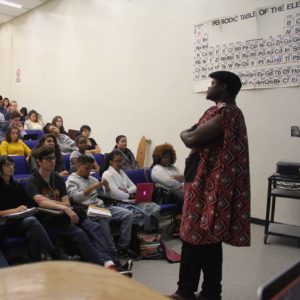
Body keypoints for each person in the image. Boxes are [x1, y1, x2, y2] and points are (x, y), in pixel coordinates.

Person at [170, 71, 250, 300]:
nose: (209, 87)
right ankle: (186, 290)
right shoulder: (219, 112)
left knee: (205, 239)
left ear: (224, 87)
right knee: (190, 237)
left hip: (211, 188)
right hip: (200, 182)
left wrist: (185, 132)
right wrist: (190, 132)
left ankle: (210, 292)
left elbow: (191, 138)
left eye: (213, 83)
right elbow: (194, 134)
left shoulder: (228, 113)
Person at [26, 146, 131, 274]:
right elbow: (41, 203)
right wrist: (63, 207)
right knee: (80, 233)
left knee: (94, 227)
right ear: (39, 161)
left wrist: (56, 204)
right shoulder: (32, 181)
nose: (53, 161)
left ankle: (110, 262)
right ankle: (103, 267)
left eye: (53, 158)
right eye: (48, 159)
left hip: (67, 215)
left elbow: (66, 201)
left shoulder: (57, 178)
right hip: (50, 219)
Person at [0, 156, 70, 262]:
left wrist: (25, 208)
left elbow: (28, 204)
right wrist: (14, 210)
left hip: (18, 222)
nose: (11, 167)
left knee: (32, 231)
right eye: (6, 165)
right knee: (32, 223)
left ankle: (37, 264)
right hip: (4, 226)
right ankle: (54, 252)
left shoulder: (17, 186)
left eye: (12, 165)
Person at [66, 154, 135, 259]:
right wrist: (90, 188)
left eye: (91, 168)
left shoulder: (92, 179)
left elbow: (105, 195)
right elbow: (75, 198)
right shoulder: (71, 181)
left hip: (101, 207)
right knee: (103, 217)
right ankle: (112, 252)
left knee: (127, 214)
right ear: (78, 165)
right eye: (86, 168)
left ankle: (122, 247)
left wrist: (107, 187)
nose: (89, 171)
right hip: (87, 209)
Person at [102, 150, 160, 233]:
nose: (120, 163)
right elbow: (115, 194)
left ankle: (148, 232)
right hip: (118, 203)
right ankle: (141, 233)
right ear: (110, 162)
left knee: (155, 207)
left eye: (121, 161)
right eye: (117, 161)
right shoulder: (107, 174)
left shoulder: (121, 172)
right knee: (141, 214)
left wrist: (126, 190)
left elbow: (134, 187)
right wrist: (128, 194)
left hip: (128, 200)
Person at [151, 143, 184, 207]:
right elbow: (169, 183)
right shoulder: (157, 169)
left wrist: (173, 178)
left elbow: (184, 179)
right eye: (164, 157)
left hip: (177, 193)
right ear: (159, 157)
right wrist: (180, 184)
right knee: (186, 196)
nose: (167, 159)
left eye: (169, 157)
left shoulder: (174, 168)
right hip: (165, 196)